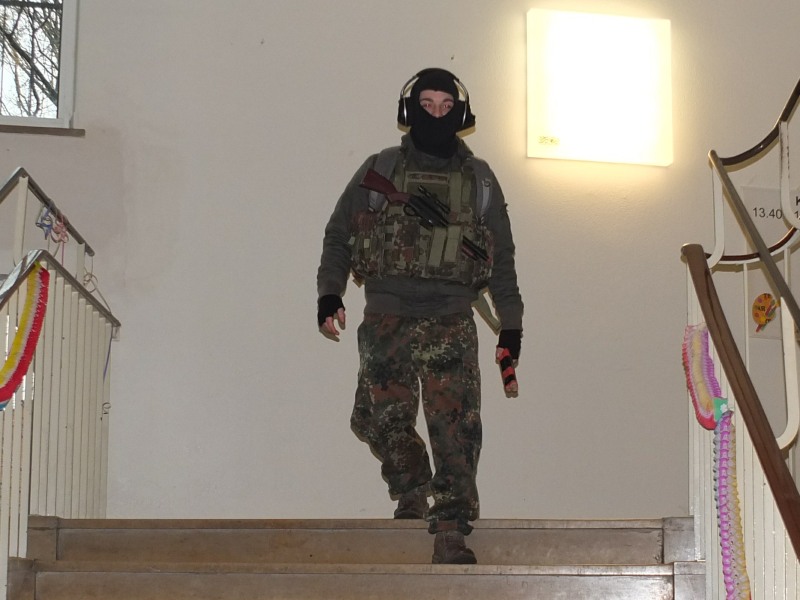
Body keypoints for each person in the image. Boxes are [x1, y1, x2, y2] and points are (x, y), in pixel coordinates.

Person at [316, 67, 523, 565]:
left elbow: (502, 258)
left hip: (451, 318)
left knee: (456, 428)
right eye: (426, 105)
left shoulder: (479, 179)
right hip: (385, 315)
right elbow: (339, 234)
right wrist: (329, 294)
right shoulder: (381, 168)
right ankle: (411, 487)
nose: (436, 115)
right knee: (377, 418)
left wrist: (511, 325)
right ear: (410, 110)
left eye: (445, 107)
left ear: (460, 112)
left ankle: (450, 526)